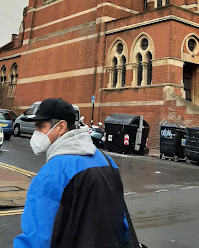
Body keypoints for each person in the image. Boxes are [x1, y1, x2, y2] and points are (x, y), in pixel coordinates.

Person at [14, 98, 131, 248]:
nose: (36, 133)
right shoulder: (107, 161)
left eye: (40, 127)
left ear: (61, 127)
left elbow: (36, 239)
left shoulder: (53, 173)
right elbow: (122, 220)